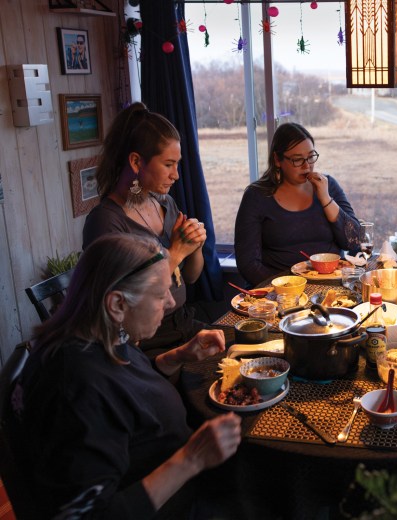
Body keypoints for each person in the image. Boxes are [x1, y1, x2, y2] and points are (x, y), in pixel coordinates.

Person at [9, 233, 242, 518]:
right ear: (117, 304)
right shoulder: (75, 388)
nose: (170, 303)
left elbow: (127, 392)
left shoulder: (97, 335)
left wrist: (175, 357)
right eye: (159, 295)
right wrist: (191, 459)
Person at [83, 102, 206, 357]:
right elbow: (125, 307)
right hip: (144, 345)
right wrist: (176, 252)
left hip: (183, 324)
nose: (176, 175)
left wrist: (195, 246)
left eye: (178, 164)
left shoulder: (164, 204)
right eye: (168, 164)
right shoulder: (106, 222)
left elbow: (191, 277)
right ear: (137, 162)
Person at [235, 122, 361, 286]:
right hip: (280, 291)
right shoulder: (257, 196)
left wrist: (325, 199)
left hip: (332, 285)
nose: (306, 165)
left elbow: (353, 241)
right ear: (277, 160)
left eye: (310, 157)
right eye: (297, 160)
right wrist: (288, 287)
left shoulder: (328, 185)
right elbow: (248, 264)